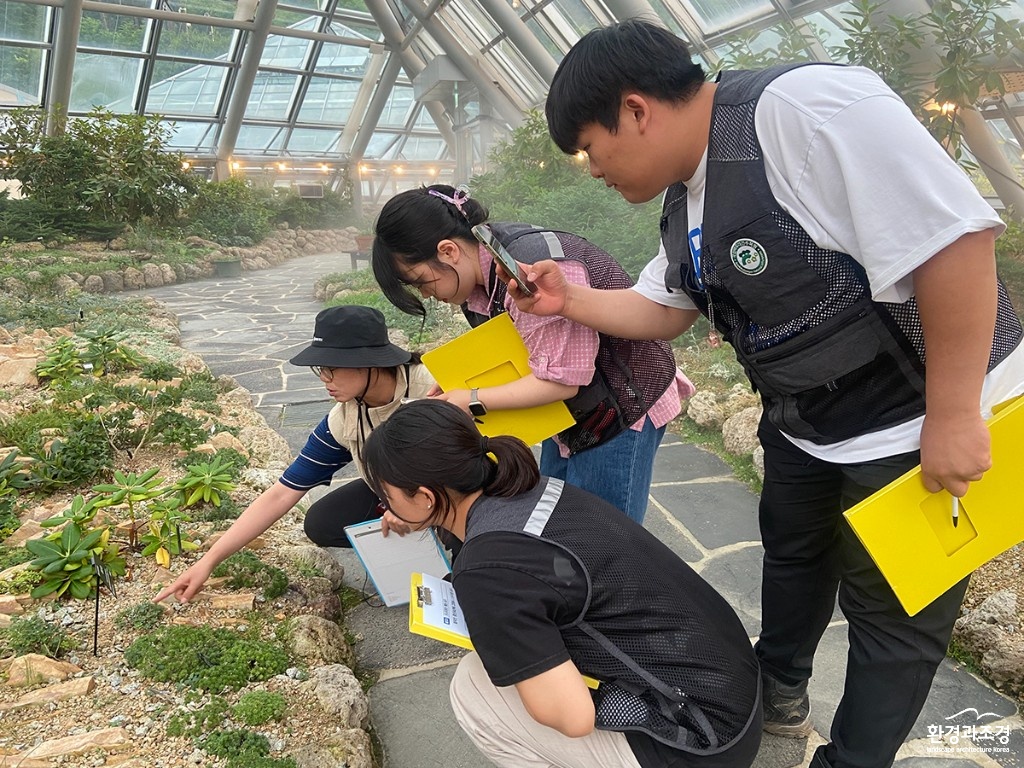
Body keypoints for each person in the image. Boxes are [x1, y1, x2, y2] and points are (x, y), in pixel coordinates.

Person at [511, 19, 1024, 768]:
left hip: (918, 415)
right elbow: (665, 309)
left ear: (636, 109)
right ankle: (777, 691)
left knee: (893, 616)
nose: (591, 169)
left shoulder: (802, 110)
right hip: (810, 419)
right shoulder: (689, 195)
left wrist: (953, 417)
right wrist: (569, 302)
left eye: (590, 146)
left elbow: (954, 242)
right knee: (792, 556)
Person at [361, 398, 762, 768]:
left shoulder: (488, 570)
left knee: (474, 691)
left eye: (385, 494)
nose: (384, 504)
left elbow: (573, 718)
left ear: (426, 497)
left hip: (701, 743)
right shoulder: (529, 489)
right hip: (734, 697)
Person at [371, 184, 693, 524]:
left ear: (449, 251)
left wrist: (472, 398)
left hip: (624, 402)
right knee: (560, 518)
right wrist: (457, 388)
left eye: (422, 281)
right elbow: (521, 348)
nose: (427, 294)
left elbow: (562, 382)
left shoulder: (526, 272)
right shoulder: (480, 274)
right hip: (573, 413)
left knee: (605, 533)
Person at [154, 305, 437, 603]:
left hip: (453, 491)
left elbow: (476, 460)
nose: (324, 379)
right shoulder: (344, 419)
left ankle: (451, 546)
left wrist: (412, 506)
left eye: (331, 368)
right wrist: (207, 563)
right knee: (322, 522)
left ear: (368, 362)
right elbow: (280, 494)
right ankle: (415, 549)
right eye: (320, 369)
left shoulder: (433, 386)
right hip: (397, 493)